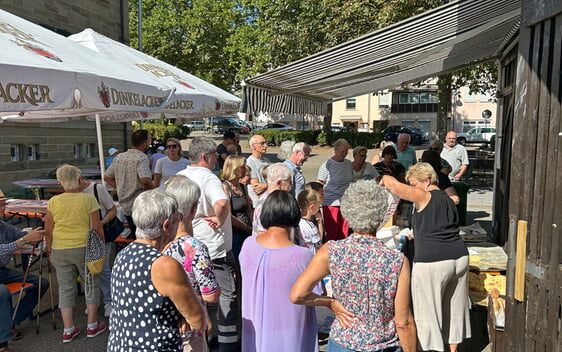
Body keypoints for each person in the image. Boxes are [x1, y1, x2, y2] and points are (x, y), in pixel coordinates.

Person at [290, 180, 417, 352]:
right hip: (382, 344)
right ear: (381, 214)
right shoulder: (396, 260)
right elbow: (404, 322)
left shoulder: (331, 251)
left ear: (348, 212)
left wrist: (330, 303)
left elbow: (298, 294)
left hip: (343, 342)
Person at [380, 163, 471, 352]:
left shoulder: (425, 196)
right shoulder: (449, 198)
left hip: (433, 261)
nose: (413, 188)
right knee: (453, 312)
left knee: (428, 314)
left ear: (427, 181)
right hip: (459, 257)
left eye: (414, 184)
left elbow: (396, 187)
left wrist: (385, 178)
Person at [108, 189, 206, 351]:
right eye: (178, 219)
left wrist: (179, 314)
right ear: (167, 225)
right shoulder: (164, 265)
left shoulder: (124, 253)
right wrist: (184, 314)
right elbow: (198, 320)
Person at [177, 137, 239, 351]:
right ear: (205, 157)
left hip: (186, 248)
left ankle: (202, 339)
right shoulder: (208, 178)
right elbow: (221, 202)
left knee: (195, 294)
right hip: (215, 247)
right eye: (214, 154)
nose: (217, 157)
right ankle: (227, 344)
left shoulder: (177, 177)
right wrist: (220, 219)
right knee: (226, 296)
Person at [240, 190, 319, 352]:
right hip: (289, 337)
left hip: (254, 336)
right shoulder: (302, 256)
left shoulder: (248, 245)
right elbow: (315, 293)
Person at [44, 165, 106, 343]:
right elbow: (96, 227)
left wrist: (49, 249)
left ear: (59, 182)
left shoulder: (53, 202)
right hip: (84, 247)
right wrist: (101, 246)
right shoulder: (88, 200)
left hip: (60, 248)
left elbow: (49, 229)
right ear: (79, 179)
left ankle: (68, 329)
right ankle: (92, 325)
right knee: (91, 284)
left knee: (65, 288)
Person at [163, 175, 220, 352]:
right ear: (193, 209)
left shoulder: (158, 239)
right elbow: (210, 295)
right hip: (190, 325)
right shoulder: (195, 248)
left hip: (163, 323)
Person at [0, 191, 48, 350]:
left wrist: (37, 231)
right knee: (2, 292)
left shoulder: (4, 226)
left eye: (3, 205)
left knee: (41, 283)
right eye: (0, 205)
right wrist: (25, 240)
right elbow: (5, 248)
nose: (3, 208)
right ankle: (3, 343)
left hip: (2, 271)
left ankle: (13, 320)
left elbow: (20, 235)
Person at [104, 129, 154, 239]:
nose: (149, 143)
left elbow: (107, 177)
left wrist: (121, 186)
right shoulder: (141, 157)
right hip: (140, 205)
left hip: (125, 205)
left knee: (134, 234)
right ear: (145, 143)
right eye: (149, 140)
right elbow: (145, 180)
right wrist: (153, 191)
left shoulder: (119, 157)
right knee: (144, 237)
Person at [80, 179, 118, 318]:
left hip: (99, 235)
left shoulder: (97, 188)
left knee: (103, 270)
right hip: (81, 238)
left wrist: (103, 222)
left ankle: (109, 301)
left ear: (79, 179)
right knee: (86, 271)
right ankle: (92, 302)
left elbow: (112, 209)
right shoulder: (70, 193)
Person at [317, 138, 353, 241]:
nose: (344, 154)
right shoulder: (327, 165)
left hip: (345, 202)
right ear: (335, 150)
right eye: (342, 152)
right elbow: (319, 183)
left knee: (344, 232)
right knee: (332, 232)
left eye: (346, 152)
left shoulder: (348, 164)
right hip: (331, 202)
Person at [221, 155, 253, 262]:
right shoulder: (225, 187)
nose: (245, 170)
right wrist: (246, 228)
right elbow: (228, 215)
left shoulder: (242, 186)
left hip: (248, 231)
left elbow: (248, 209)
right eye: (242, 167)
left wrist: (252, 226)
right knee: (238, 263)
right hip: (235, 233)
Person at [251, 163, 293, 237]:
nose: (290, 186)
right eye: (289, 182)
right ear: (279, 183)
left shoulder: (269, 198)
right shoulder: (269, 203)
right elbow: (262, 232)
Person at [296, 189, 324, 254]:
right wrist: (320, 222)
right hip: (310, 258)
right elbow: (318, 242)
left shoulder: (296, 221)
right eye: (318, 206)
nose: (318, 209)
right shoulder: (310, 226)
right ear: (312, 207)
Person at [246, 134, 271, 204]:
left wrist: (266, 186)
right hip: (259, 202)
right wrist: (270, 185)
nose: (265, 146)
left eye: (266, 143)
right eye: (262, 143)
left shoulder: (267, 161)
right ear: (254, 146)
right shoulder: (250, 162)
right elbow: (256, 187)